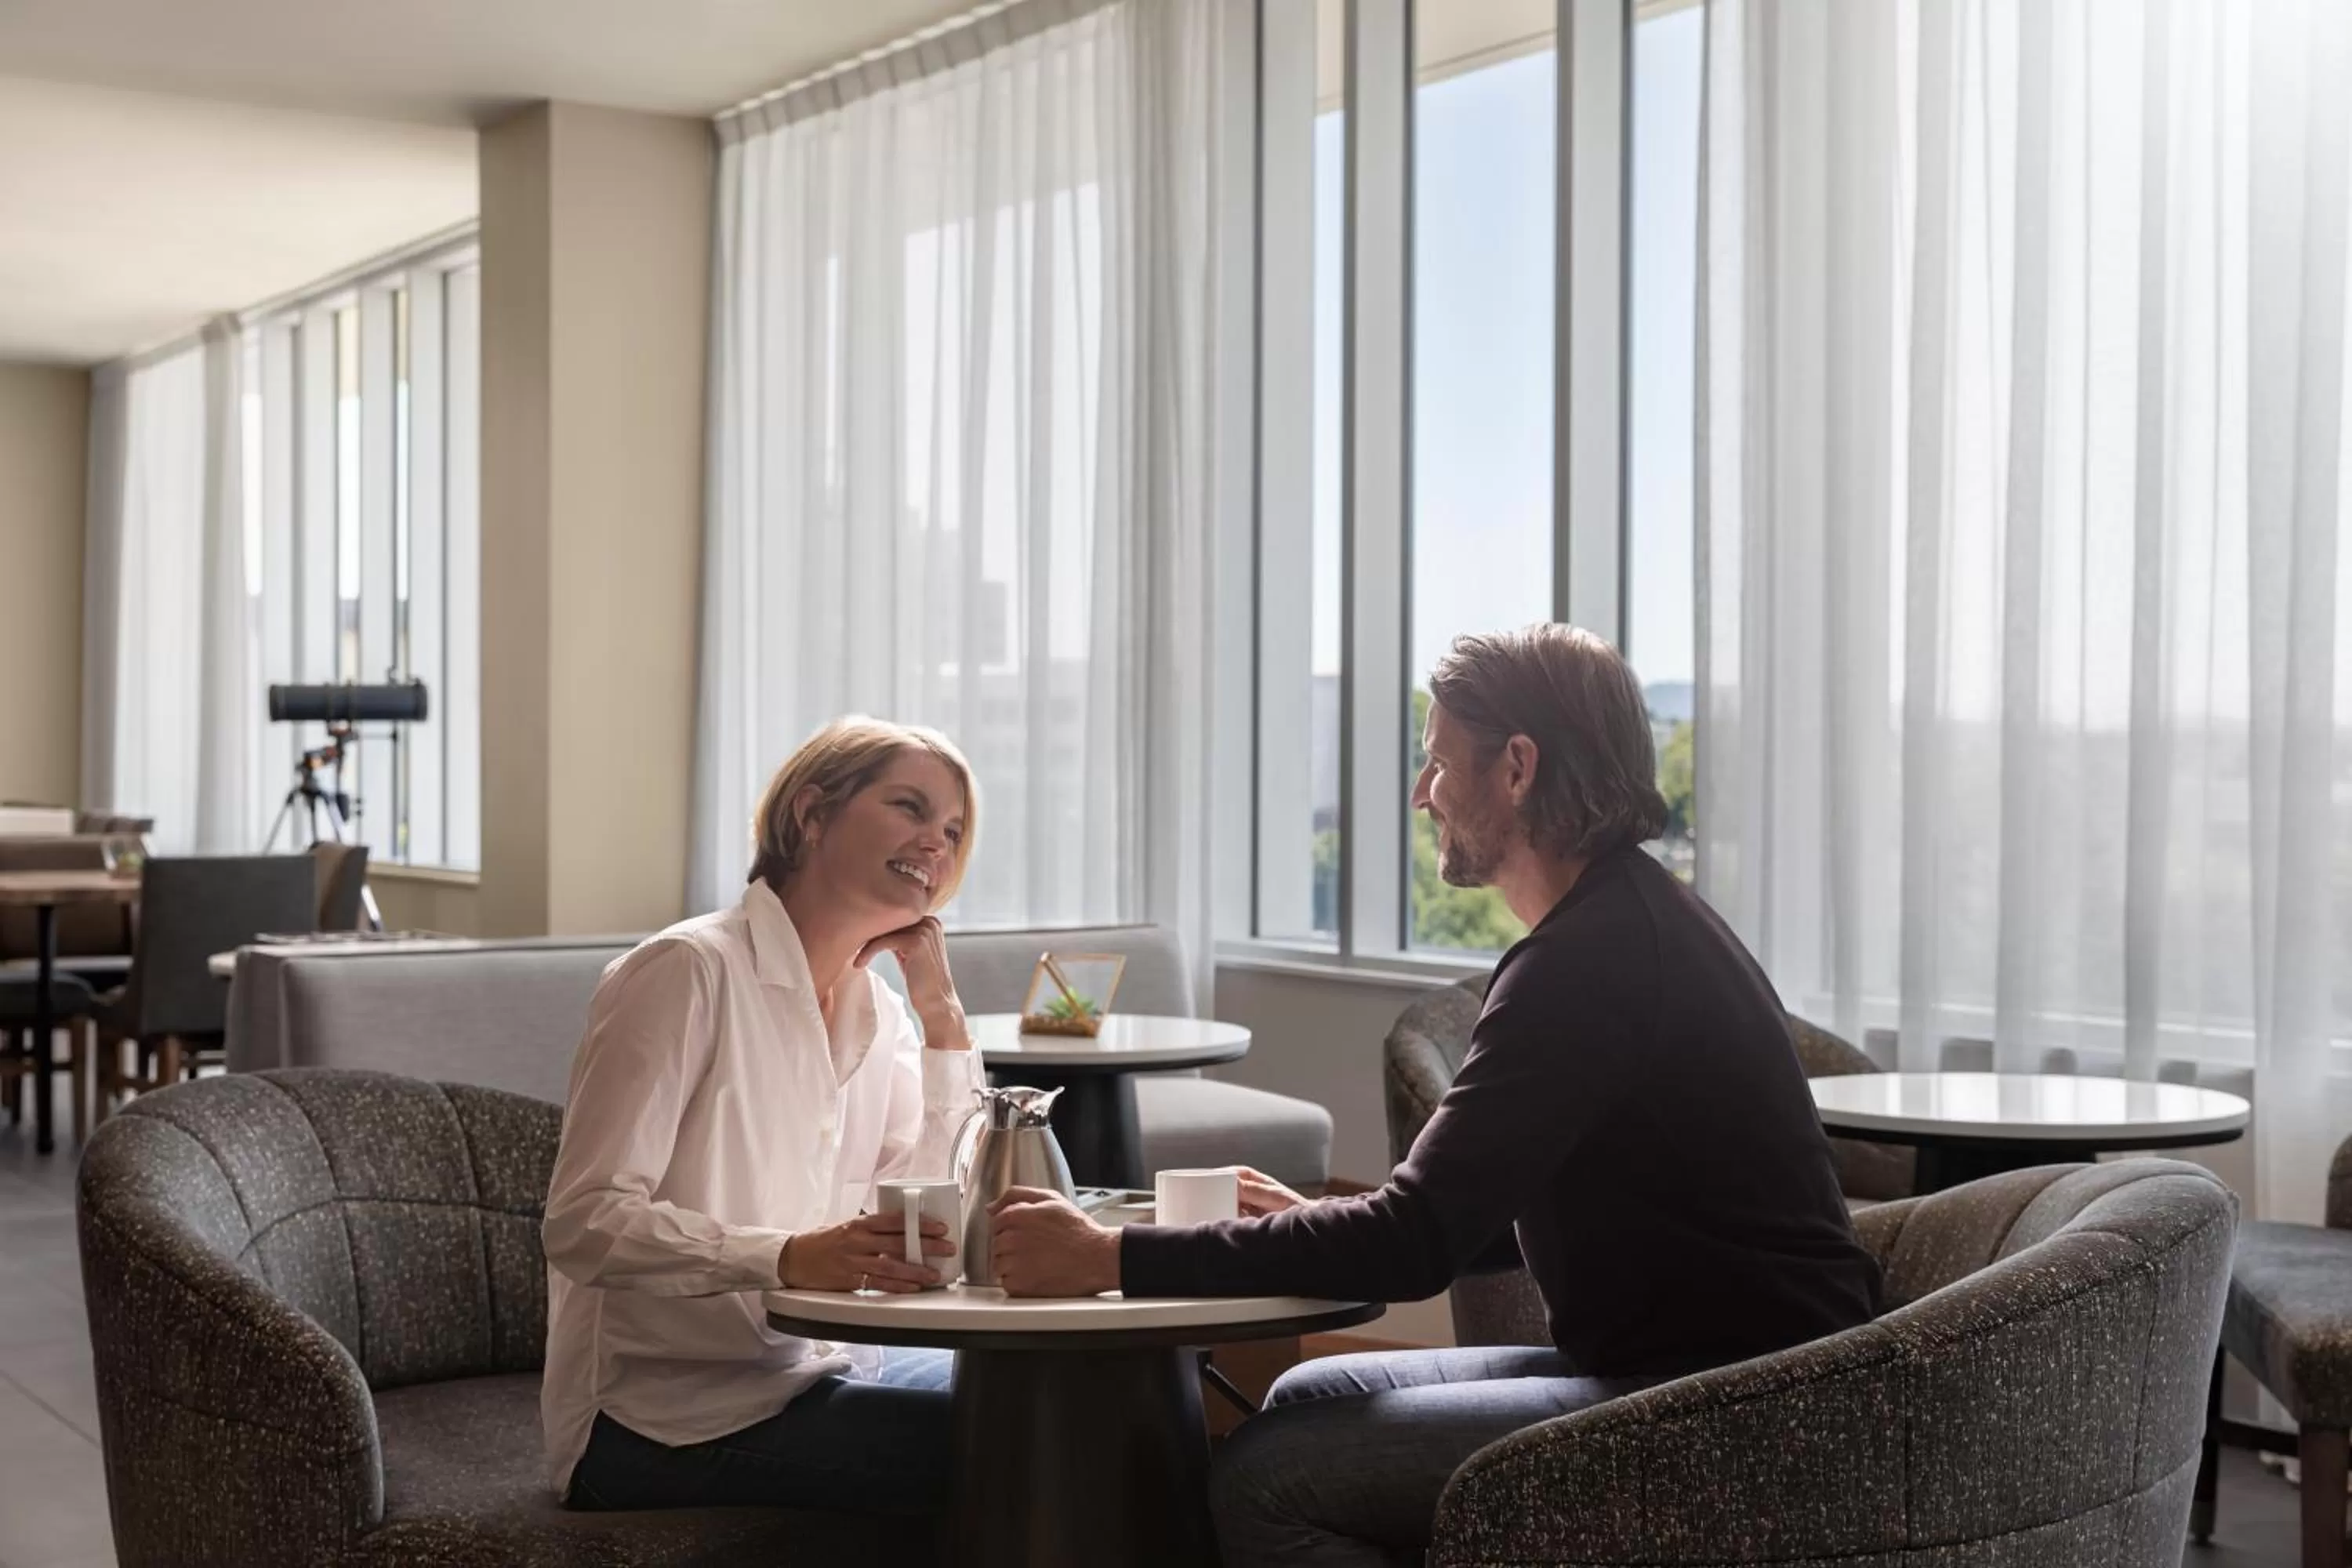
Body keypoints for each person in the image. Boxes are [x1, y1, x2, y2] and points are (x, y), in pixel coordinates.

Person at [989, 624, 1883, 1566]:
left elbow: (1411, 1242)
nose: (1423, 792)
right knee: (1303, 1397)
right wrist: (1321, 1225)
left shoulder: (1587, 962)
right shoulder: (1630, 921)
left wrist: (1107, 1254)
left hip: (1744, 1411)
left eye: (1440, 761)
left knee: (1269, 1474)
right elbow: (1476, 1209)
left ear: (1518, 767)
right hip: (1725, 1373)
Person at [542, 717, 987, 1520]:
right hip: (661, 1421)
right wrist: (787, 1256)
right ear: (810, 814)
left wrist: (944, 1020)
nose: (937, 843)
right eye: (910, 807)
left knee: (1063, 1402)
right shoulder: (686, 971)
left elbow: (934, 1218)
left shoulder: (883, 1013)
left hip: (828, 1371)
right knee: (1016, 1444)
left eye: (953, 830)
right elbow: (584, 1222)